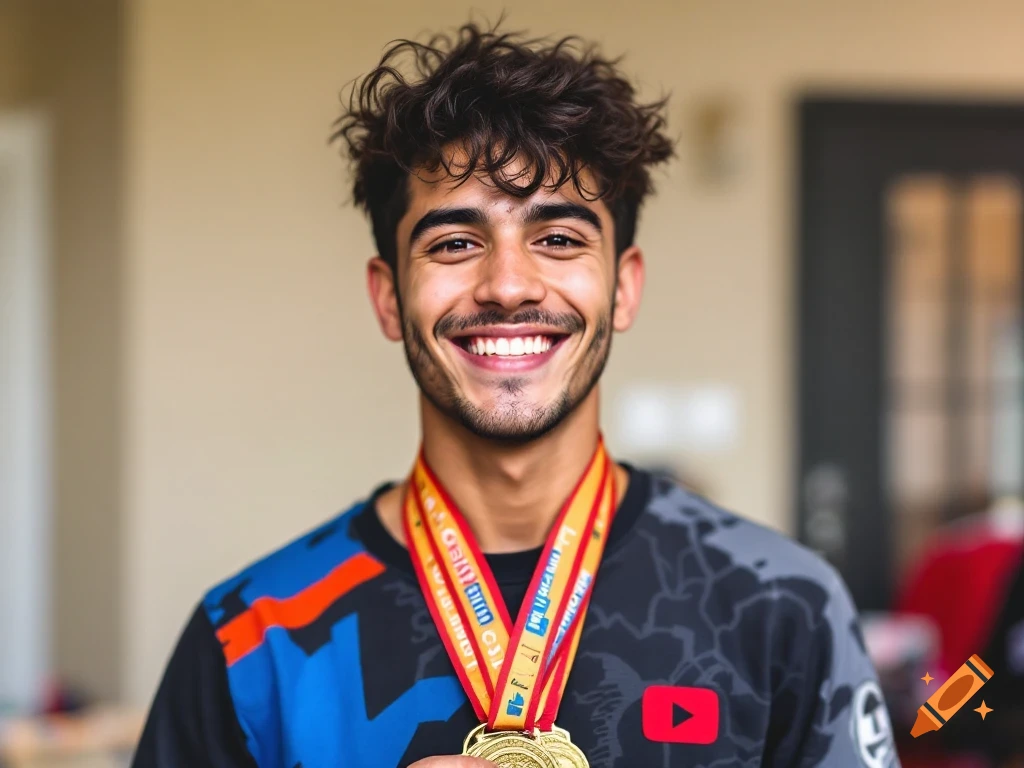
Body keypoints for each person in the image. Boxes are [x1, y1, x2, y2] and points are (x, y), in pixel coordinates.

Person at [131, 20, 898, 768]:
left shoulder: (782, 607)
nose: (506, 286)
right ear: (389, 297)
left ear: (623, 288)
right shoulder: (251, 639)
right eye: (455, 243)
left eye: (559, 239)